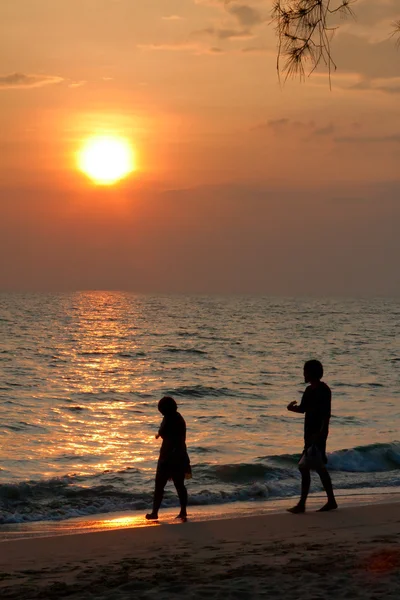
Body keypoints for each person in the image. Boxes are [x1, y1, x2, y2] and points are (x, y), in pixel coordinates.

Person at [286, 360, 337, 514]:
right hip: (309, 433)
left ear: (311, 373)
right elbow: (303, 409)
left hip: (318, 433)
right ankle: (330, 501)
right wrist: (291, 409)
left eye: (305, 371)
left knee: (306, 466)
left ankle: (303, 504)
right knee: (315, 467)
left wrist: (322, 434)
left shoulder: (324, 390)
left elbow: (326, 415)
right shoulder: (308, 390)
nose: (303, 374)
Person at [146, 396, 191, 522]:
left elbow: (164, 432)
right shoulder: (177, 418)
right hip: (178, 455)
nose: (161, 412)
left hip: (170, 456)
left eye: (161, 409)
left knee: (161, 485)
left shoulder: (170, 419)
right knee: (178, 485)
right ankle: (182, 511)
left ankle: (156, 512)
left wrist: (159, 433)